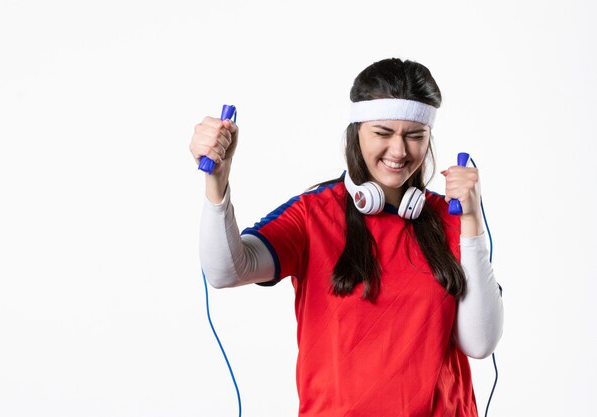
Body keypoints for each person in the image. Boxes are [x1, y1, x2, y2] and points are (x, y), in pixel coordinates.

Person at [190, 58, 504, 417]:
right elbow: (225, 271)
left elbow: (479, 343)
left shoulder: (452, 221)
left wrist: (471, 223)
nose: (399, 151)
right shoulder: (313, 215)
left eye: (415, 136)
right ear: (357, 133)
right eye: (383, 133)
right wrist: (217, 180)